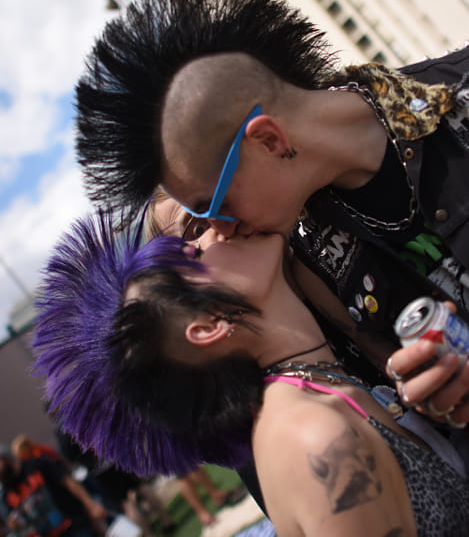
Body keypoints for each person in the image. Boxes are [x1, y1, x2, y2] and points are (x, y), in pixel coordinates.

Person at [74, 0, 469, 429]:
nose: (220, 232)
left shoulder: (458, 101)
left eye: (213, 206)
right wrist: (442, 398)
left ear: (268, 140)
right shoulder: (316, 261)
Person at [32, 210, 469, 536]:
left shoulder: (321, 389)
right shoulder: (316, 439)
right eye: (193, 249)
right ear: (208, 326)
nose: (220, 225)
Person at [0, 448, 107, 537]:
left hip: (75, 525)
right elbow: (14, 522)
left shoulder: (36, 464)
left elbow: (68, 481)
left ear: (5, 458)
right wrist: (14, 525)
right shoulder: (5, 495)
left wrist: (91, 505)